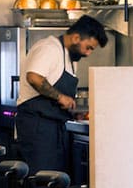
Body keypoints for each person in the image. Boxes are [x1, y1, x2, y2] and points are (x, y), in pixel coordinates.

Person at [16, 15, 108, 175]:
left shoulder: (69, 58)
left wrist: (71, 111)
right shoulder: (49, 48)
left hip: (53, 130)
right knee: (41, 184)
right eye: (88, 47)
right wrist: (60, 97)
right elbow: (34, 77)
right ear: (76, 37)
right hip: (38, 129)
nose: (88, 53)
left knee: (54, 184)